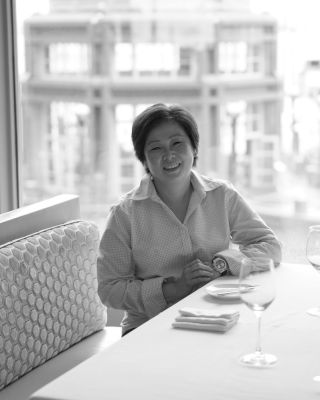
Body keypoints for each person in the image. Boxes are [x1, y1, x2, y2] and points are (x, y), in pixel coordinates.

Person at [97, 103, 282, 336]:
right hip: (147, 328)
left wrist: (223, 263)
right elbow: (109, 289)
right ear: (143, 158)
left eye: (177, 143)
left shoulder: (222, 195)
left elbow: (270, 247)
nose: (169, 155)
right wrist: (171, 288)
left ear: (194, 149)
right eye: (156, 148)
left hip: (215, 317)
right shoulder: (125, 214)